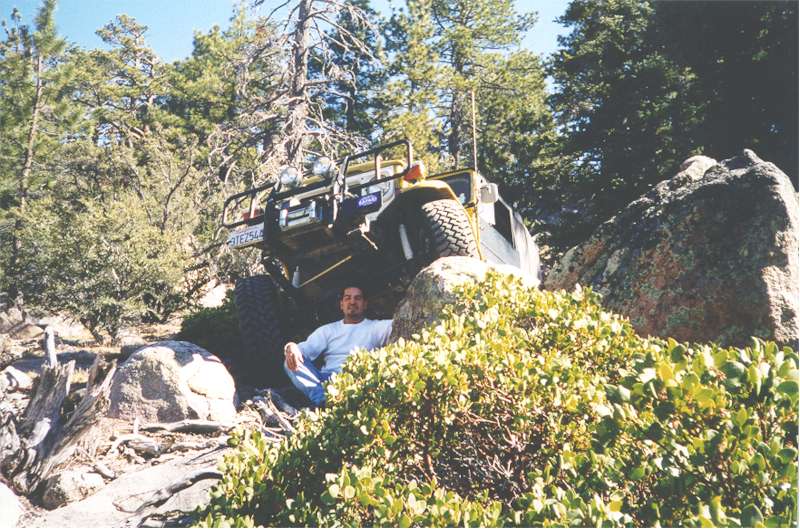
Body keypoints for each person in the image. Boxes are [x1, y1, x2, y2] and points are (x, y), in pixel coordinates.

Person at [283, 285, 392, 407]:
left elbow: (400, 322)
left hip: (357, 380)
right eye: (347, 298)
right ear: (341, 305)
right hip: (326, 380)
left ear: (365, 304)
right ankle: (324, 400)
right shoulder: (328, 330)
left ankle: (326, 402)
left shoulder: (376, 328)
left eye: (357, 298)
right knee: (290, 362)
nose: (352, 302)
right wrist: (291, 346)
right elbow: (301, 350)